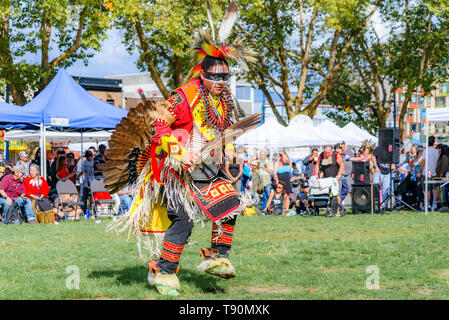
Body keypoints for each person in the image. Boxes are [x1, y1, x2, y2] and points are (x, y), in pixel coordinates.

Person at [104, 3, 256, 297]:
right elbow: (159, 128)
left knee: (231, 205)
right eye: (216, 78)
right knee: (183, 220)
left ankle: (216, 257)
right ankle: (163, 271)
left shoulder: (223, 100)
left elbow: (218, 130)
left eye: (225, 78)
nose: (221, 83)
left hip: (207, 167)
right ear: (203, 74)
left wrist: (228, 148)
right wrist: (181, 153)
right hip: (173, 169)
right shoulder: (183, 96)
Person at [314, 145, 345, 216]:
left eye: (328, 152)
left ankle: (337, 211)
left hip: (335, 178)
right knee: (327, 194)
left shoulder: (336, 155)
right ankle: (329, 210)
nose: (327, 154)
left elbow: (342, 164)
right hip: (326, 178)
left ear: (331, 151)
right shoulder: (321, 155)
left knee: (336, 195)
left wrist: (339, 174)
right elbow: (317, 165)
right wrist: (316, 174)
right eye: (325, 153)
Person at [419, 136, 439, 210]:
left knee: (427, 190)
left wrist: (420, 171)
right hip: (435, 172)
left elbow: (423, 162)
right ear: (433, 142)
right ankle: (435, 205)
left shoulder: (425, 151)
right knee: (435, 189)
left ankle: (427, 205)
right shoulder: (436, 151)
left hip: (426, 172)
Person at [77, 150, 95, 214]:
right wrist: (78, 176)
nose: (88, 158)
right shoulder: (85, 162)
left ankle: (93, 211)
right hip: (86, 181)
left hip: (93, 180)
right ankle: (84, 211)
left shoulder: (94, 162)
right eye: (87, 157)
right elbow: (83, 171)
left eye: (89, 156)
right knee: (85, 196)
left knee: (92, 197)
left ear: (92, 156)